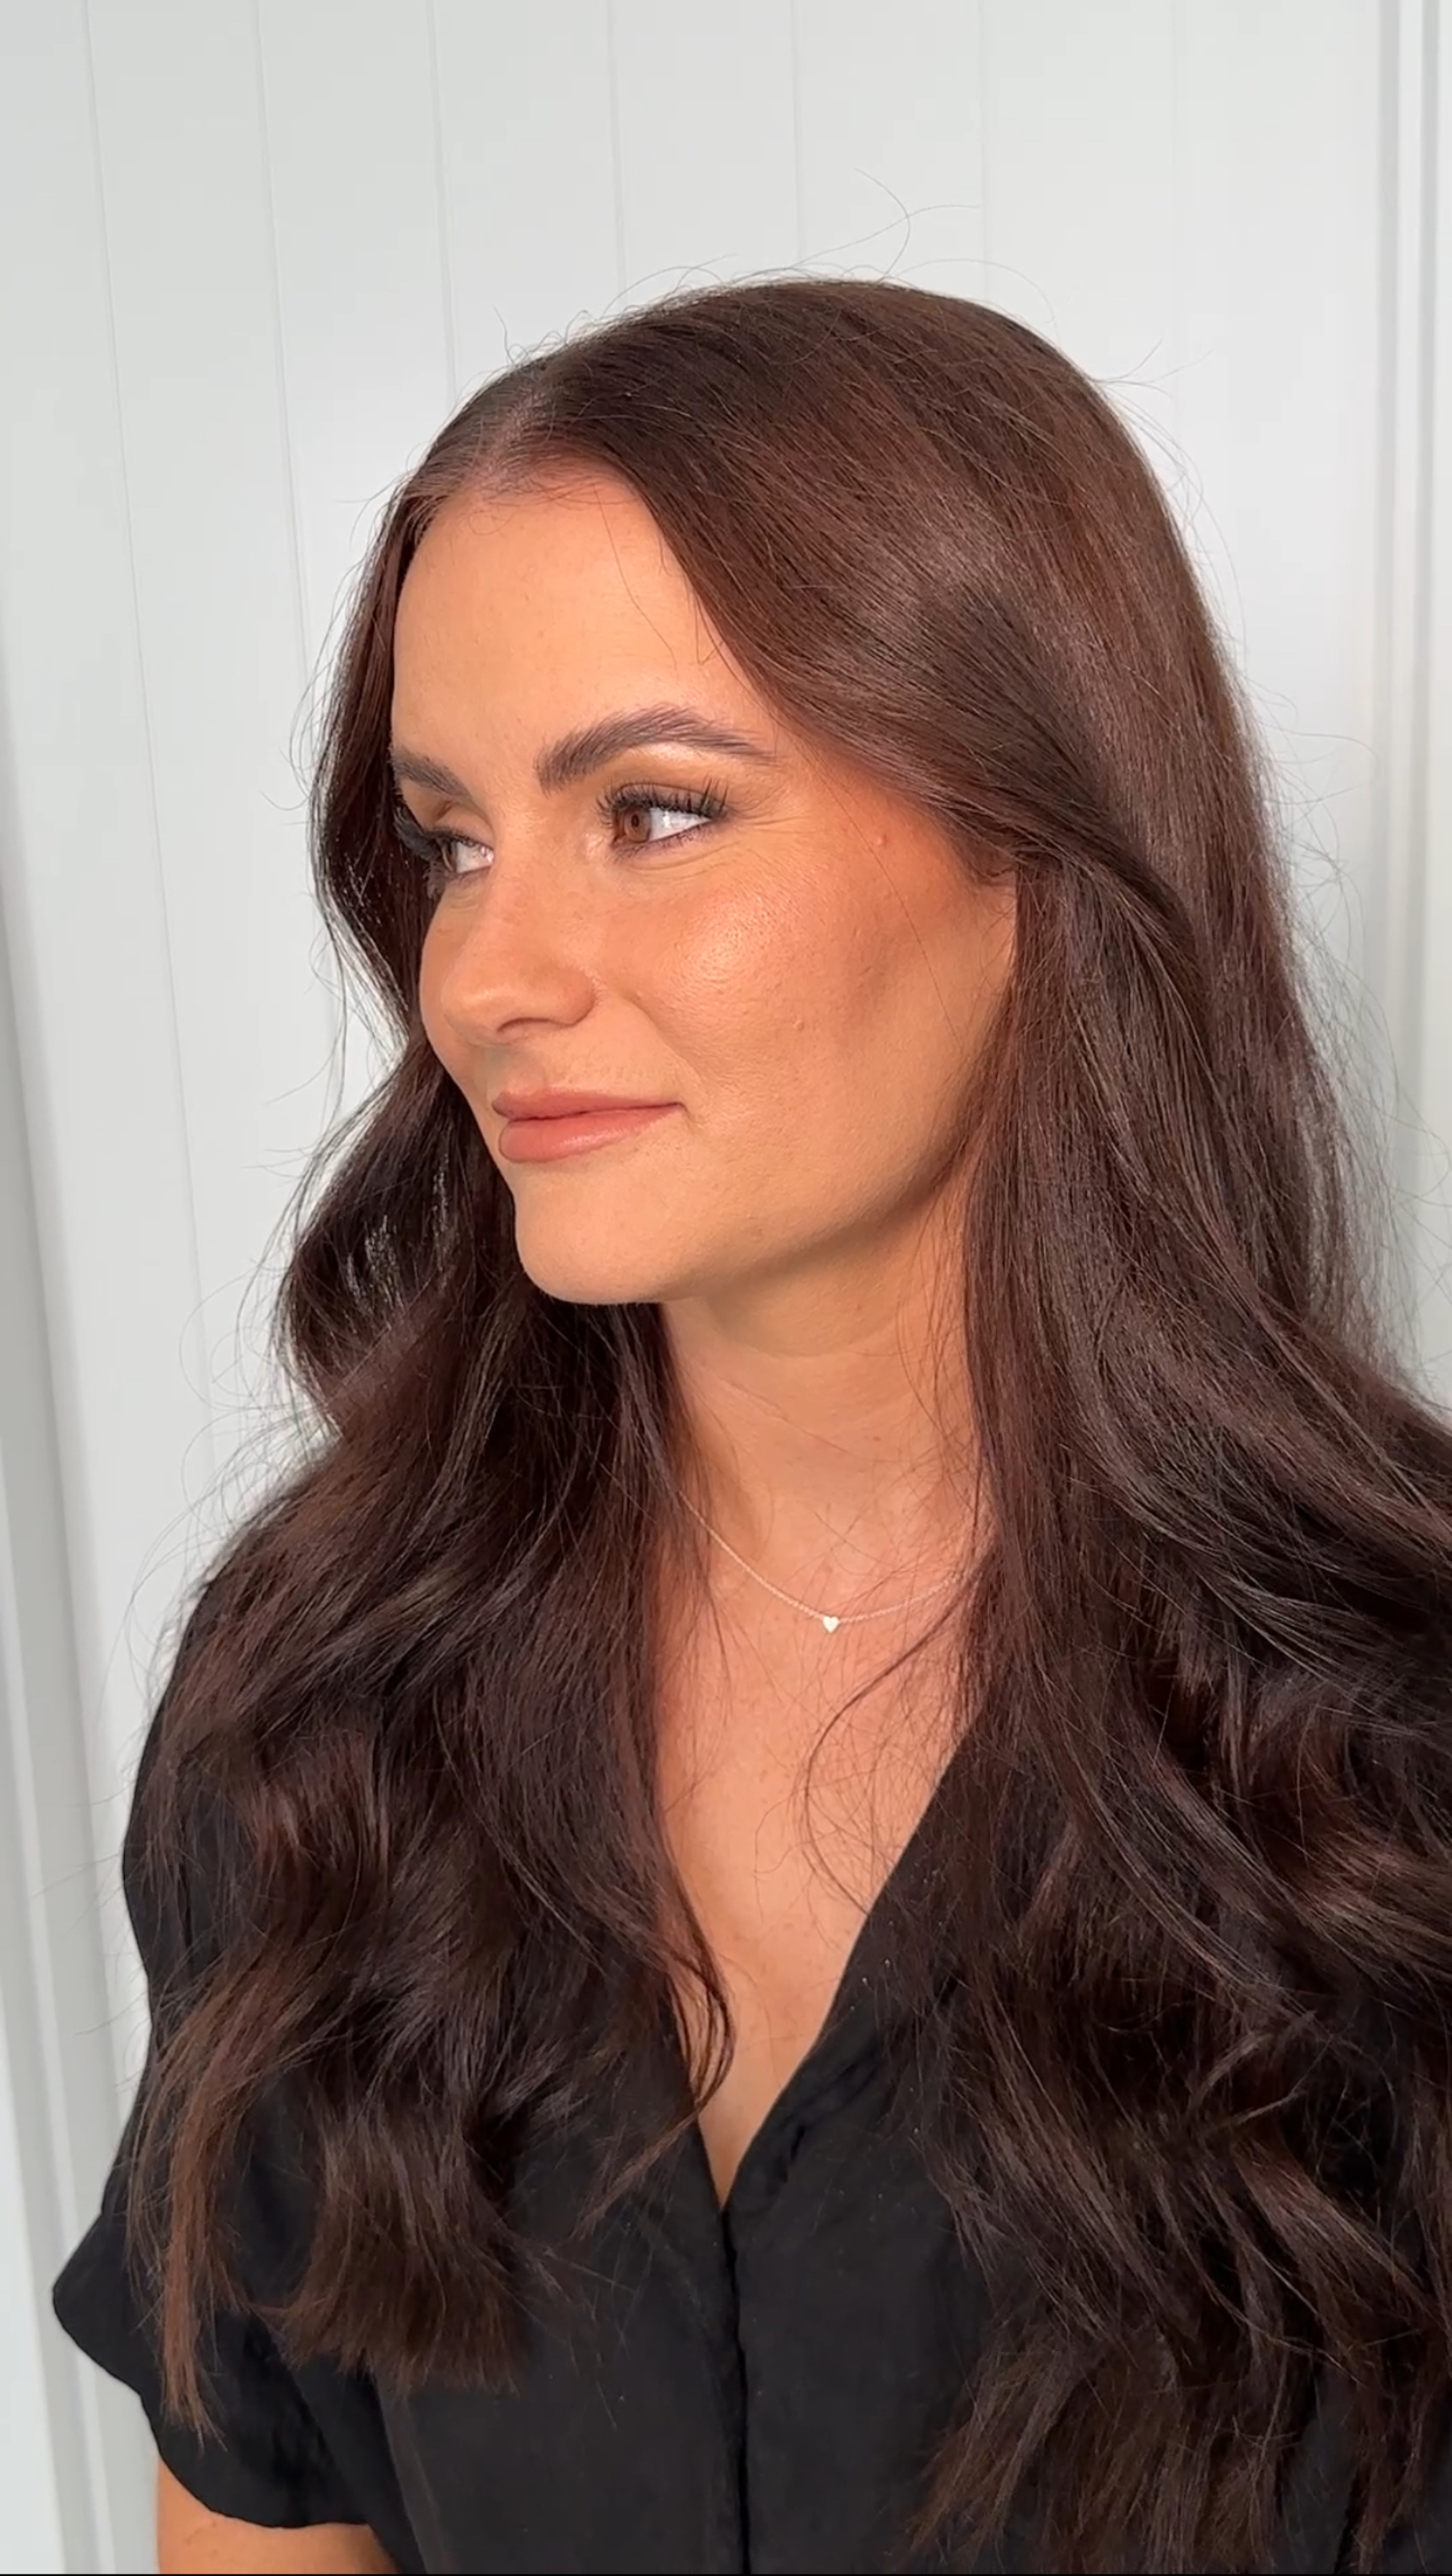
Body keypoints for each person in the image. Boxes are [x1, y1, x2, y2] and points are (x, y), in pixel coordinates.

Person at [51, 274, 1452, 2576]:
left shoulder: (1393, 1774)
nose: (489, 975)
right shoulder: (317, 1715)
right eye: (458, 841)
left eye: (659, 811)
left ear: (1037, 853)